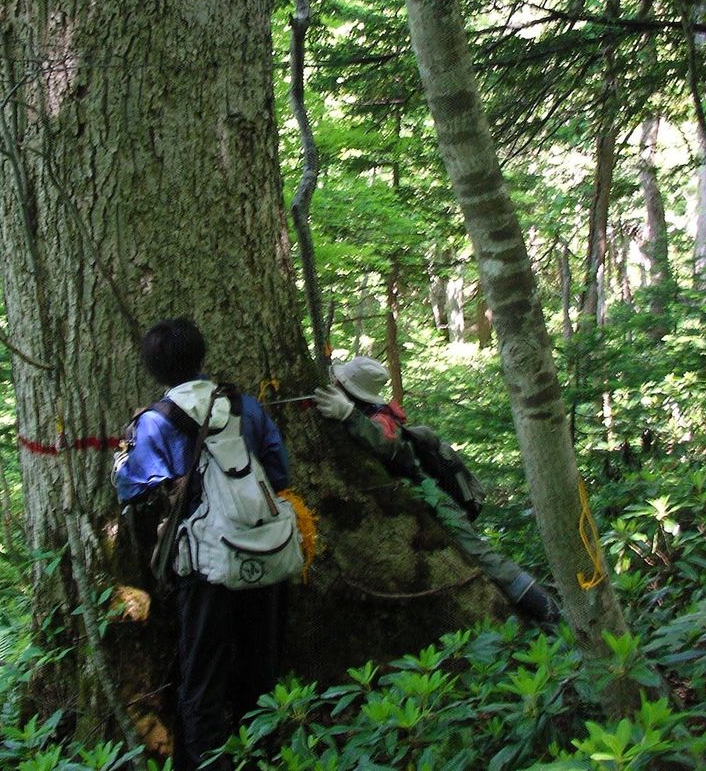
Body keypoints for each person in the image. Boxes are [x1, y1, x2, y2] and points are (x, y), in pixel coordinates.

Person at [114, 318, 289, 771]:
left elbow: (132, 490)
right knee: (261, 670)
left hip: (205, 564)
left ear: (153, 369)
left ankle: (210, 763)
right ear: (201, 355)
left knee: (202, 678)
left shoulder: (155, 421)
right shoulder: (245, 407)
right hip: (264, 549)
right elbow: (279, 472)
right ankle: (264, 756)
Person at [312, 356, 560, 627]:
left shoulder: (380, 419)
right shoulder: (365, 412)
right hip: (420, 499)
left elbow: (389, 447)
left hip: (438, 500)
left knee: (477, 553)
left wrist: (349, 415)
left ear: (351, 390)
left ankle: (548, 611)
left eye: (340, 381)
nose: (334, 382)